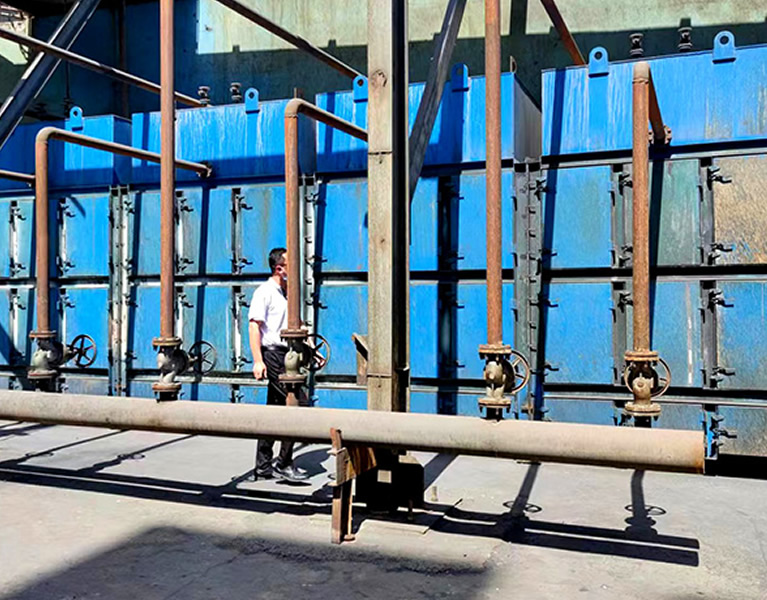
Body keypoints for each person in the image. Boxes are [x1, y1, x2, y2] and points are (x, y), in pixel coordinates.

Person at [248, 247, 309, 483]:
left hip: (288, 354)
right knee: (298, 404)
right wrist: (258, 360)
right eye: (290, 264)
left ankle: (263, 466)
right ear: (279, 269)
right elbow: (254, 326)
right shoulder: (264, 292)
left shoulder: (287, 293)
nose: (295, 269)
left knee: (273, 410)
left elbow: (298, 324)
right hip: (273, 355)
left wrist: (311, 349)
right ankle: (283, 464)